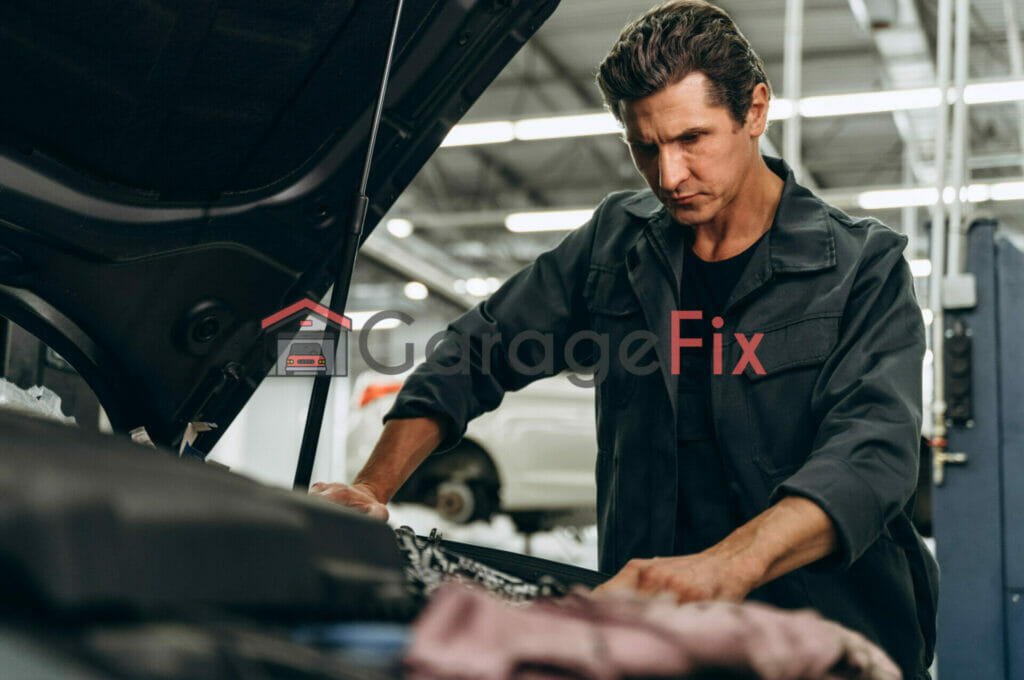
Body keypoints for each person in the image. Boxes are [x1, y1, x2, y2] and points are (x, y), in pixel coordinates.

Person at [312, 1, 938, 676]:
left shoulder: (860, 267)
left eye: (692, 138)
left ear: (754, 111)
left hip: (830, 635)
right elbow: (477, 349)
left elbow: (872, 455)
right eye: (646, 146)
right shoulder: (616, 244)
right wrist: (372, 489)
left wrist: (726, 567)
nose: (669, 176)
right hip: (653, 640)